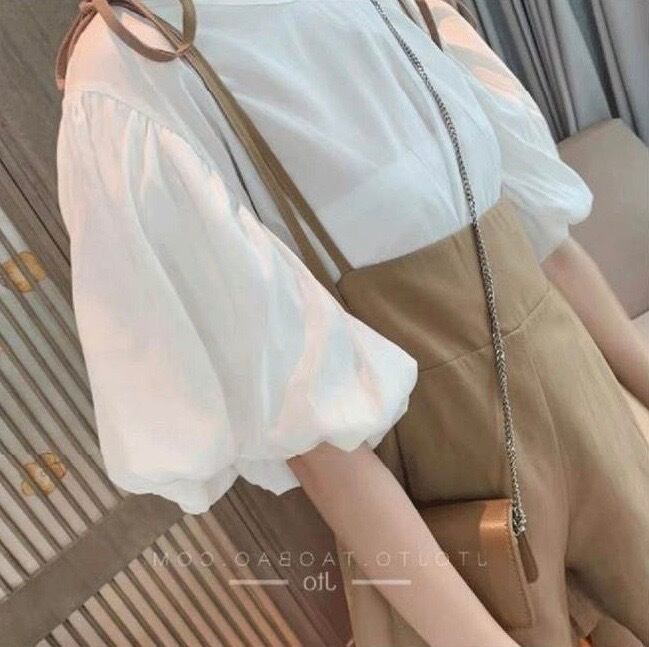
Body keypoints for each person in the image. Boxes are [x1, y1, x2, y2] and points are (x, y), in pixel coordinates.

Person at [55, 1, 649, 645]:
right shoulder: (132, 71)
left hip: (595, 422)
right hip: (443, 496)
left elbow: (548, 248)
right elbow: (315, 440)